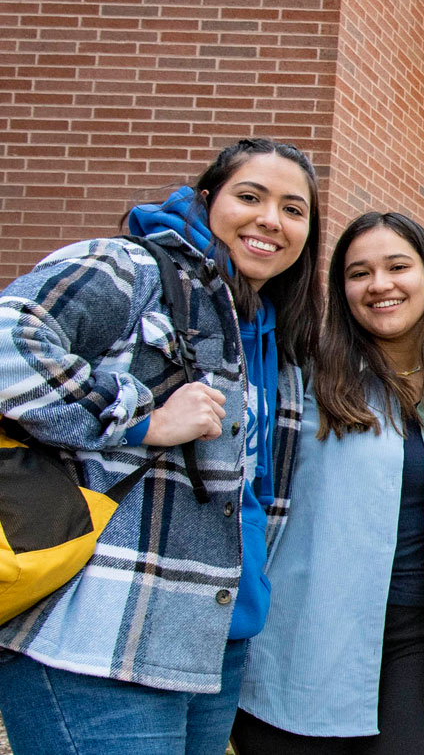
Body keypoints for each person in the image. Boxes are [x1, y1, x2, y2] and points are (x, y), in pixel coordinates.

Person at [0, 138, 319, 755]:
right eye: (250, 197)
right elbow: (8, 344)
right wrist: (141, 417)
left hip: (218, 641)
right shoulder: (132, 269)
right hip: (100, 640)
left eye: (293, 208)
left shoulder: (272, 334)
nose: (270, 220)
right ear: (206, 200)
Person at [232, 212, 424, 753]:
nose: (380, 285)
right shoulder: (302, 375)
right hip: (311, 639)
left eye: (398, 266)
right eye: (359, 273)